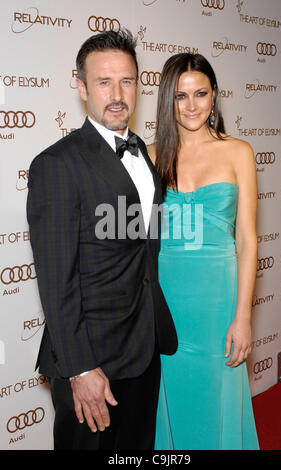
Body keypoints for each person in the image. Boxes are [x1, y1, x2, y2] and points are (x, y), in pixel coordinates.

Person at [27, 29, 177, 451]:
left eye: (127, 81)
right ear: (81, 86)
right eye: (103, 81)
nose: (117, 94)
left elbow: (143, 249)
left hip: (143, 345)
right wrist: (79, 369)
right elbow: (57, 282)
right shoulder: (56, 165)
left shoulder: (143, 154)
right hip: (92, 358)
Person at [147, 53, 259, 450]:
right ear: (167, 100)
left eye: (201, 93)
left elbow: (247, 240)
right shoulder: (150, 155)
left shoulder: (238, 153)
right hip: (166, 299)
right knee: (170, 401)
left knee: (218, 399)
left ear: (214, 97)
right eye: (180, 96)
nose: (192, 105)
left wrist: (243, 317)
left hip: (217, 301)